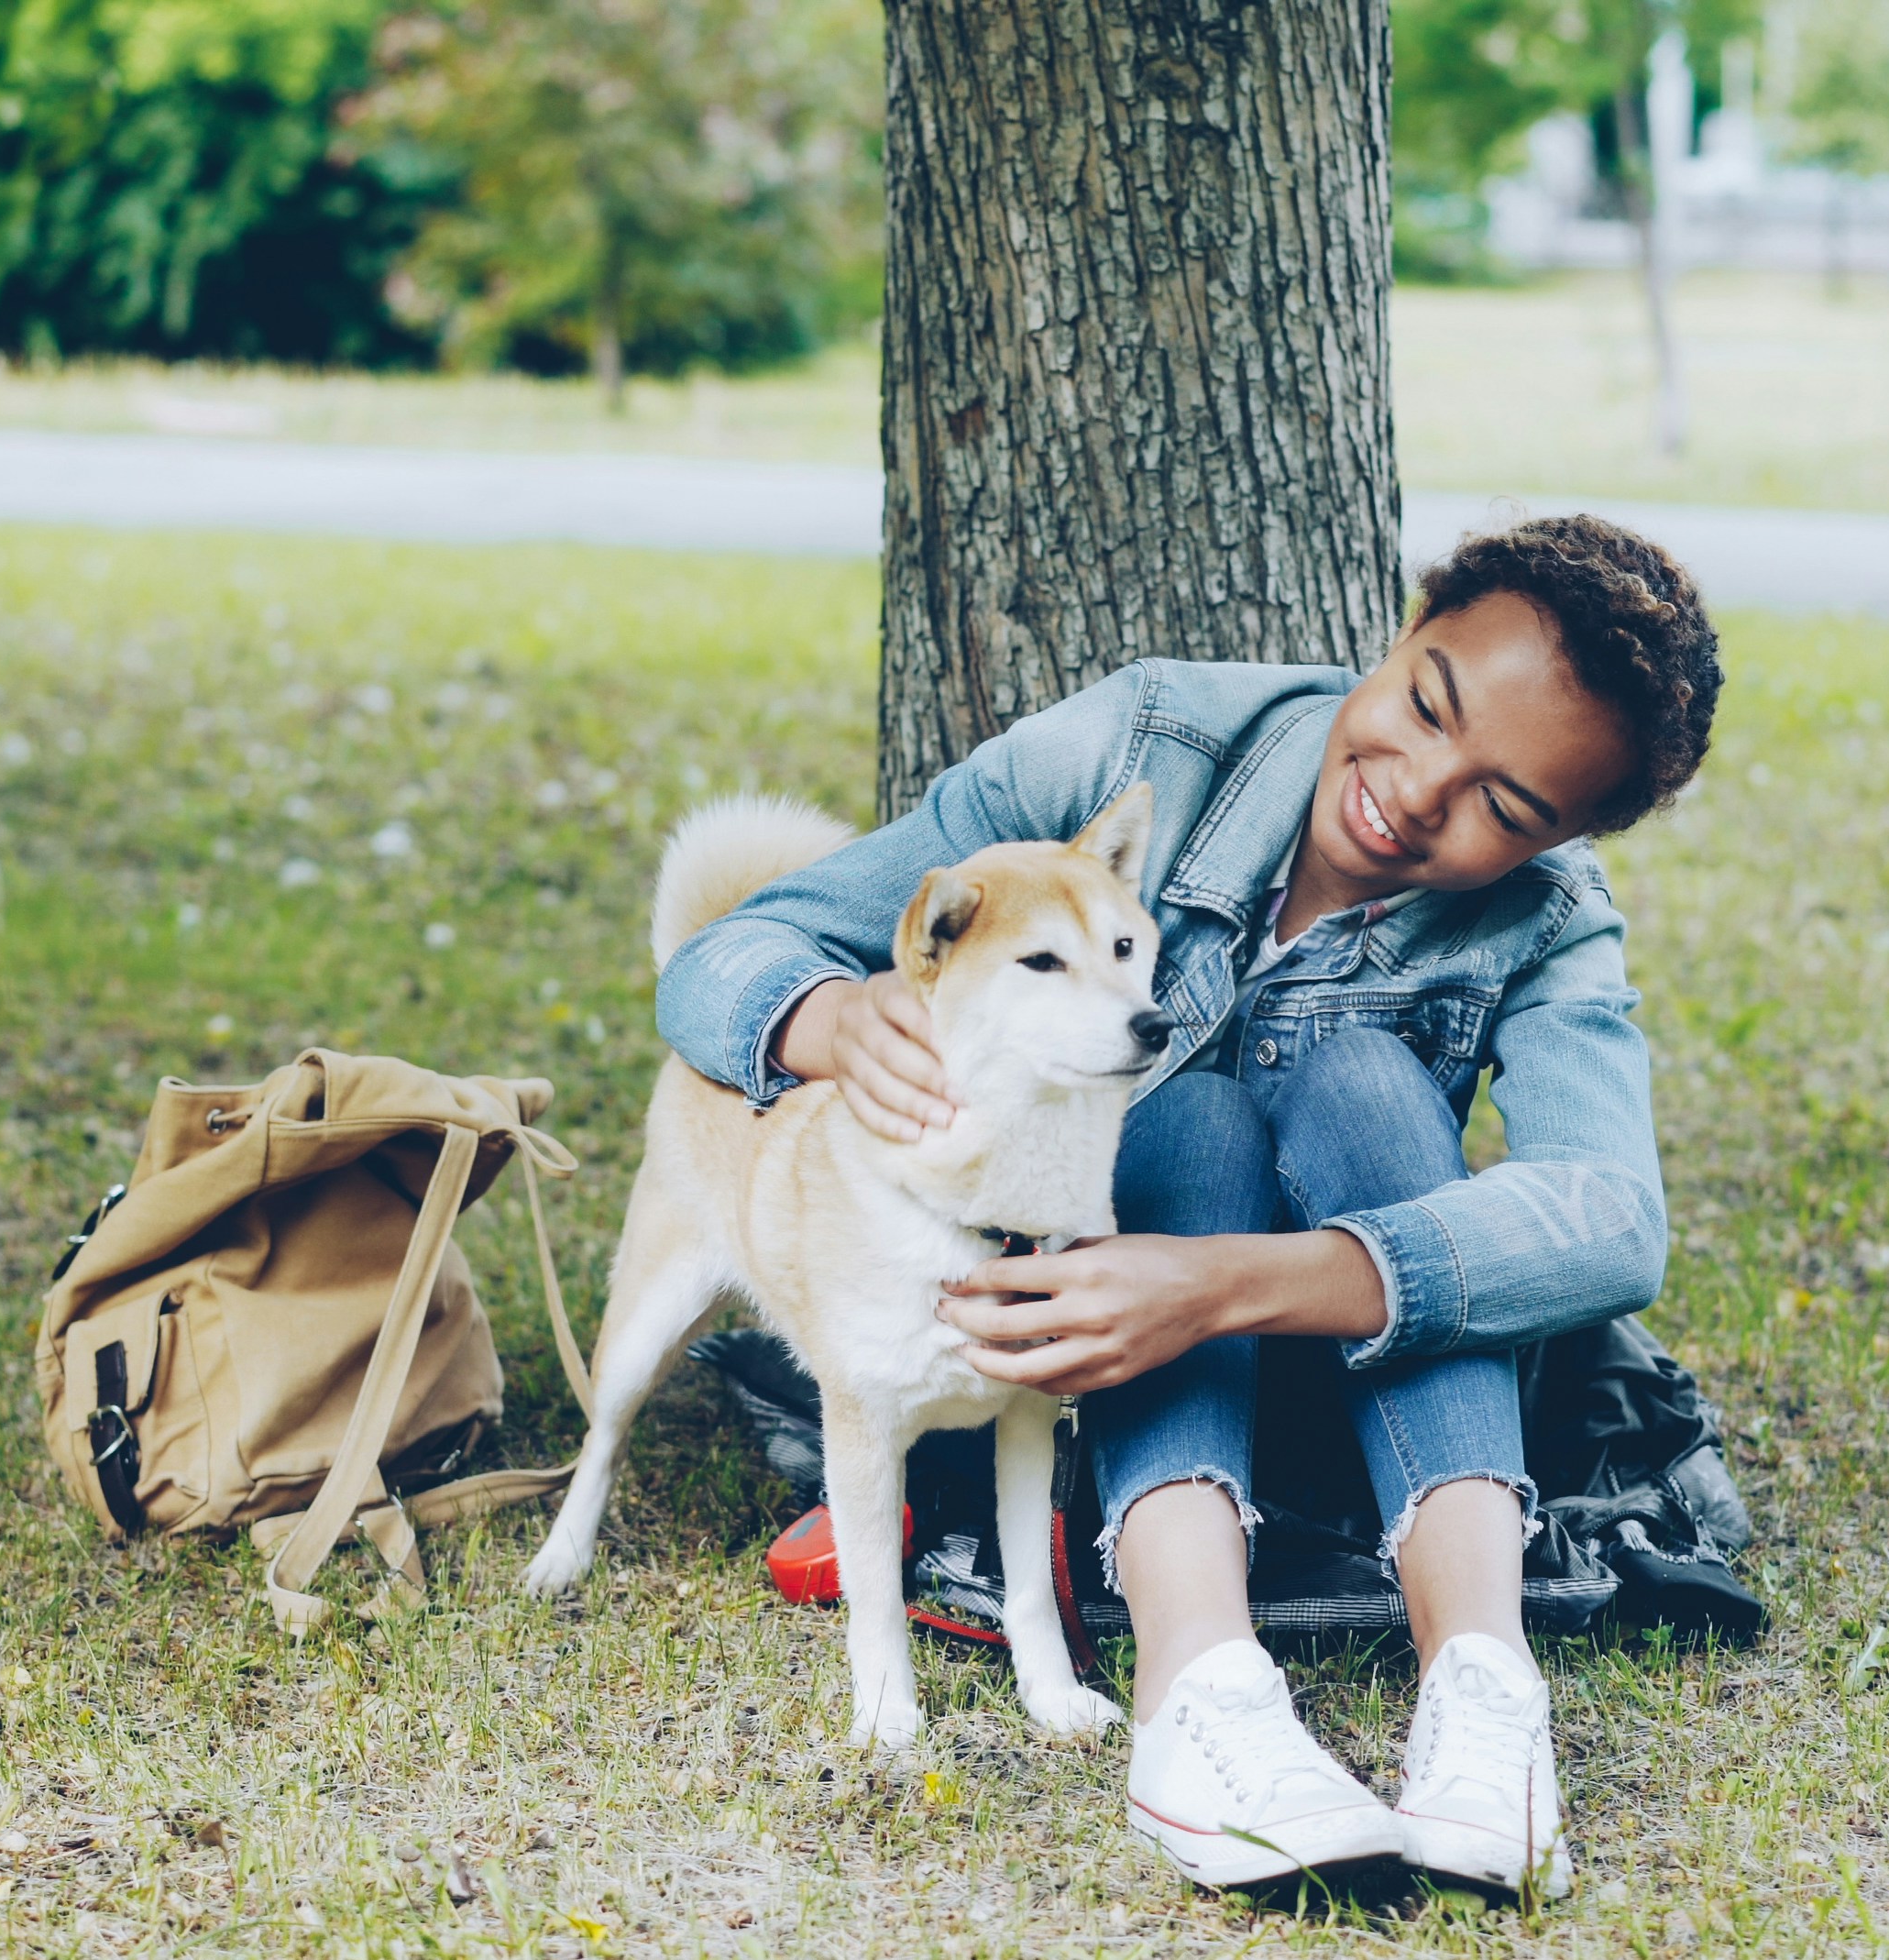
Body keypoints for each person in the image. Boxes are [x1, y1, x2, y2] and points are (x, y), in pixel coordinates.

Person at [656, 513, 1721, 1896]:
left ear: (1562, 838)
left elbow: (1611, 1216)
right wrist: (822, 1012)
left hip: (1369, 1410)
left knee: (1358, 1079)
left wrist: (1224, 1279)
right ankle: (1197, 1689)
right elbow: (728, 955)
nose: (1417, 787)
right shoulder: (1138, 742)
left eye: (1506, 809)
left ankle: (1485, 1696)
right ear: (1400, 633)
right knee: (1193, 1107)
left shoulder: (1552, 920)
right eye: (1425, 703)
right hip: (1117, 1405)